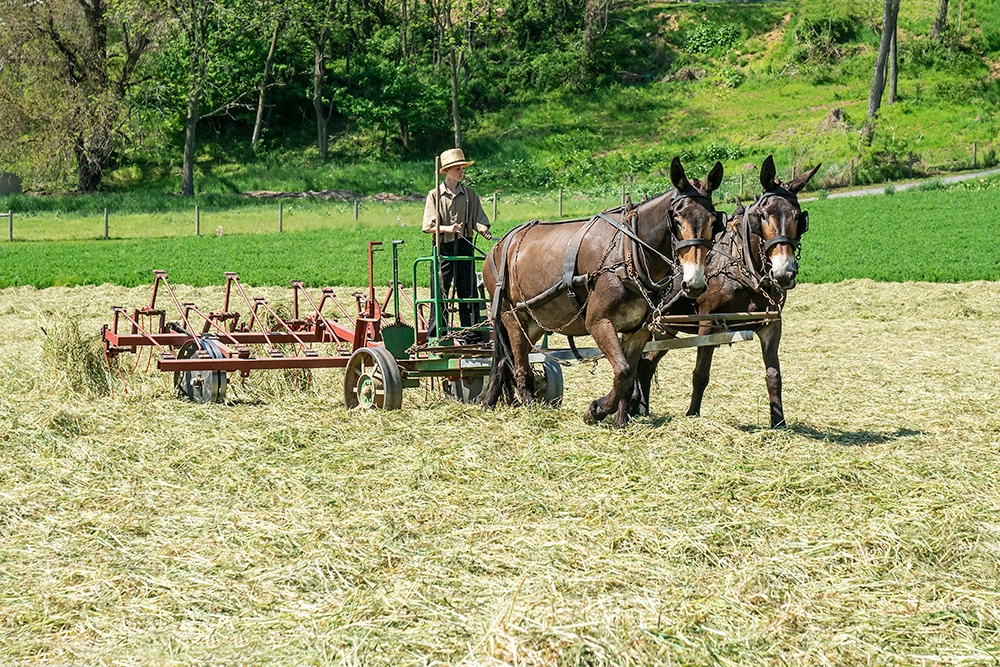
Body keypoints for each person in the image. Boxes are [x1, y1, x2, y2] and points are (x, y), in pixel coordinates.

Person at [422, 148, 492, 341]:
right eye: (457, 168)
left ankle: (471, 334)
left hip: (464, 246)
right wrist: (448, 228)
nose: (461, 172)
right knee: (440, 292)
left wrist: (483, 228)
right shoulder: (435, 195)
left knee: (467, 292)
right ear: (446, 171)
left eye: (462, 168)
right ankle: (437, 335)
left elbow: (479, 219)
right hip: (442, 249)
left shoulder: (470, 194)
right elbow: (428, 226)